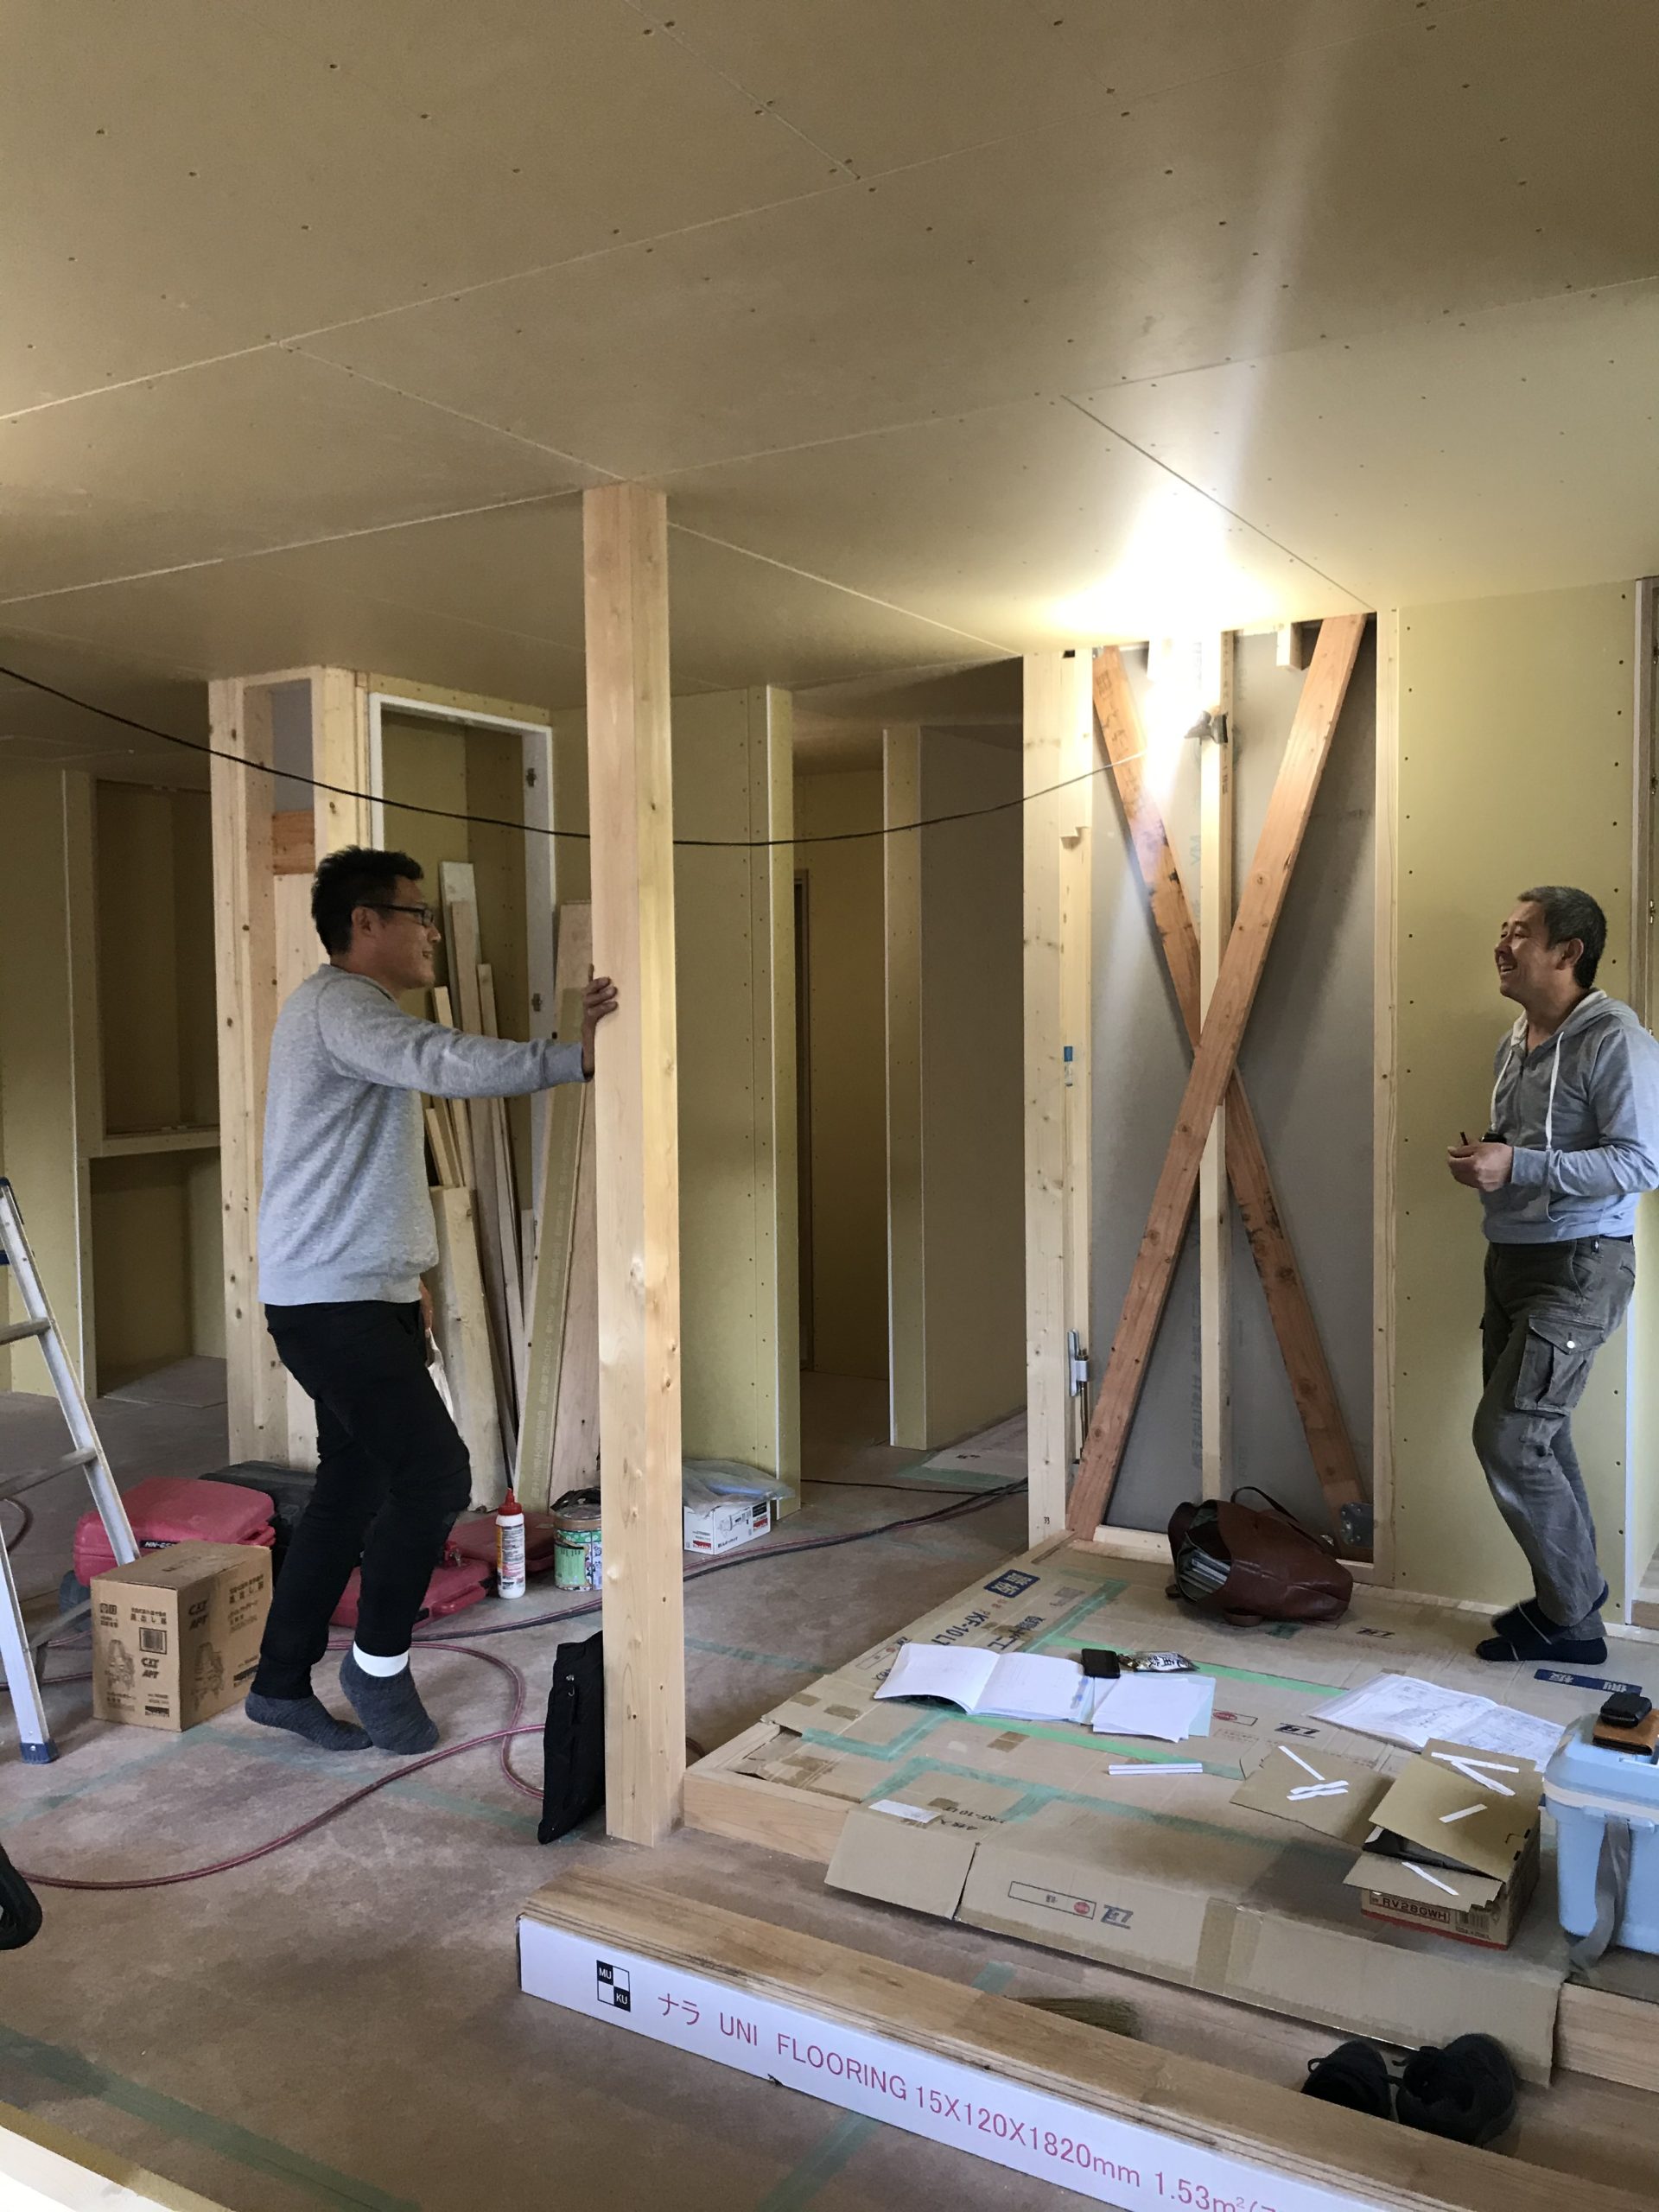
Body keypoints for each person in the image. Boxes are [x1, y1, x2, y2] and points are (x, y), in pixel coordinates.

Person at [245, 846, 615, 1753]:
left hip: (351, 1295)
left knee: (352, 1486)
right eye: (418, 915)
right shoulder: (343, 1007)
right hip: (330, 1304)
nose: (432, 933)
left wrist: (404, 1282)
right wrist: (570, 1058)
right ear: (365, 922)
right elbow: (439, 1058)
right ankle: (377, 1666)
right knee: (438, 1476)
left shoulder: (348, 1014)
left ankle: (281, 1683)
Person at [1448, 885, 1659, 1664]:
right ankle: (1568, 1606)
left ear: (1568, 952)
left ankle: (1573, 1611)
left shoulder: (1616, 1039)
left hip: (1579, 1263)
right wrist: (1488, 1160)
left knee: (1508, 1438)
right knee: (1537, 1434)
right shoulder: (1516, 1039)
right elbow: (1528, 1146)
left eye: (1520, 933)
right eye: (1502, 930)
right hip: (1510, 1257)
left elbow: (1641, 1163)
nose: (1502, 945)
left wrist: (1521, 1164)